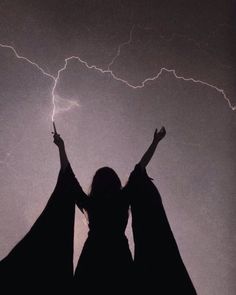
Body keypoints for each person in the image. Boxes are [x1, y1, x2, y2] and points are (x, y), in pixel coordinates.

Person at [128, 127, 197, 294]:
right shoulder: (136, 182)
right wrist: (155, 142)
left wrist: (155, 141)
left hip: (156, 235)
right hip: (153, 236)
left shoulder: (137, 185)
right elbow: (141, 164)